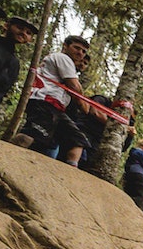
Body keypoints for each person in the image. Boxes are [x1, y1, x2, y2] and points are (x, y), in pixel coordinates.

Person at [16, 35, 92, 166]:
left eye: (83, 51)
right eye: (77, 48)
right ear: (65, 46)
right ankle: (5, 155)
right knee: (33, 134)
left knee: (77, 140)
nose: (80, 53)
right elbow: (75, 87)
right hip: (44, 102)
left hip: (56, 108)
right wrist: (83, 103)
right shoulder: (63, 58)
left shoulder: (66, 63)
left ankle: (67, 174)